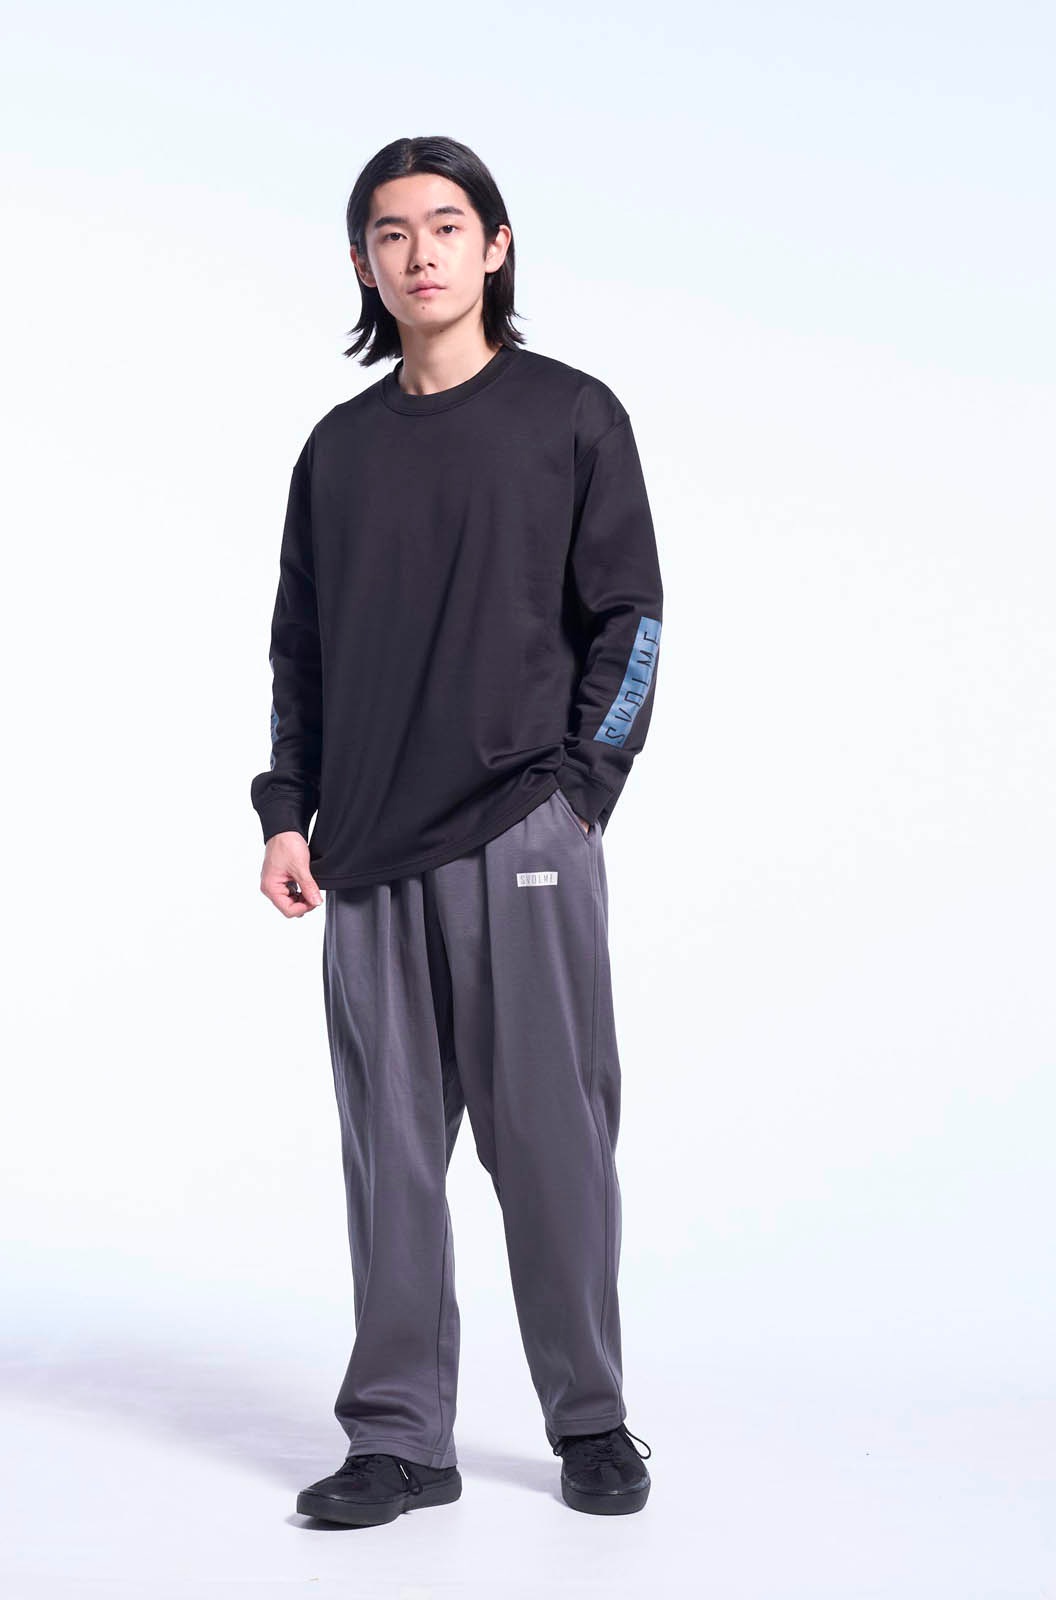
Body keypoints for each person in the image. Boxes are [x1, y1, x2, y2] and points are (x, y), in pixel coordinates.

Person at [250, 136, 663, 1525]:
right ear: (363, 262)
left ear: (495, 245)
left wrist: (581, 790)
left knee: (553, 1144)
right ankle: (399, 1440)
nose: (419, 251)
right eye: (390, 231)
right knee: (389, 1161)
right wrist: (287, 811)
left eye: (444, 224)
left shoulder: (571, 417)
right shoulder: (339, 449)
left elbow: (632, 619)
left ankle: (591, 1420)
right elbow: (300, 651)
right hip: (365, 850)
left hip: (521, 832)